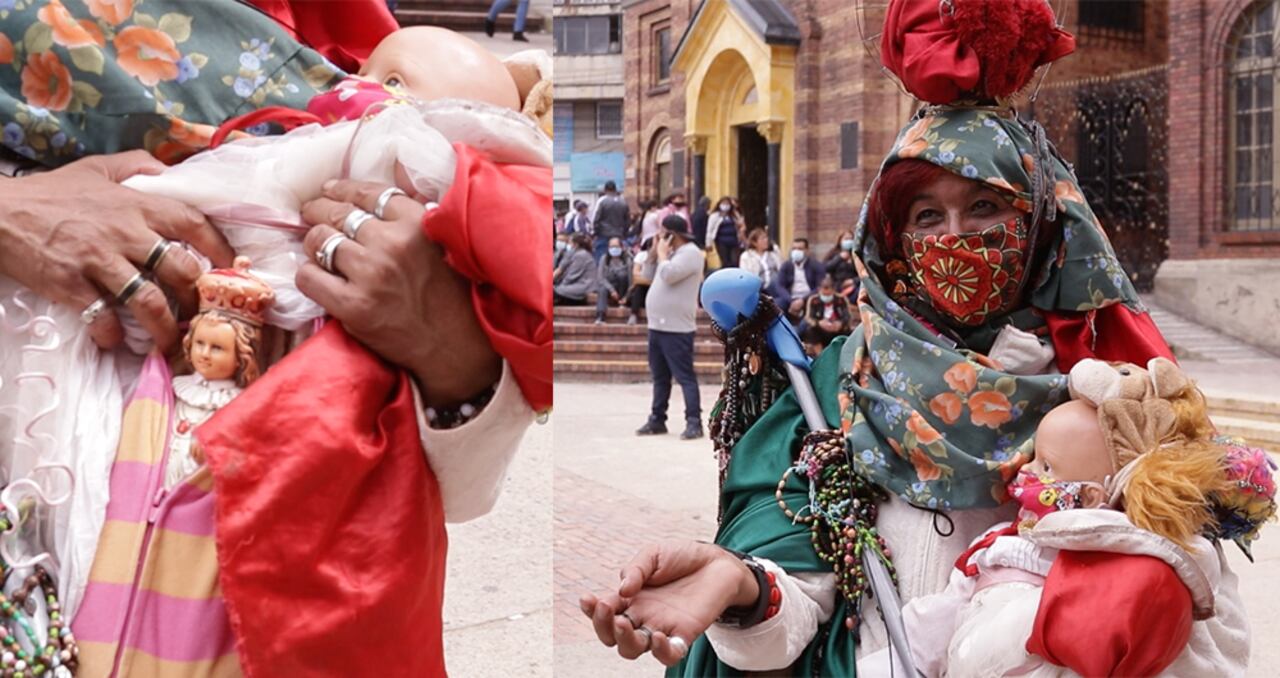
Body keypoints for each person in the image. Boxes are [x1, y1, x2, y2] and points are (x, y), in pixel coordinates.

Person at [579, 2, 1216, 674]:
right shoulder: (839, 390)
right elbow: (798, 608)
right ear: (892, 238)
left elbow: (1197, 618)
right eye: (925, 214)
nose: (953, 237)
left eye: (984, 207)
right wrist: (742, 588)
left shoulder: (1118, 396)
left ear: (1043, 224)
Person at [0, 2, 551, 674]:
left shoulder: (371, 81)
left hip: (269, 526)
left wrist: (448, 352)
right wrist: (13, 212)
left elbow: (458, 484)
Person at [636, 214, 705, 440]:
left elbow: (669, 276)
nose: (658, 237)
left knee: (684, 376)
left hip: (677, 328)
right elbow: (645, 276)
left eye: (662, 233)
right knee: (660, 376)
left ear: (671, 235)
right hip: (657, 325)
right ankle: (657, 419)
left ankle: (694, 421)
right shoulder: (671, 255)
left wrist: (664, 256)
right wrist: (655, 255)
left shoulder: (691, 253)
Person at [773, 236, 825, 320]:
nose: (796, 251)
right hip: (790, 298)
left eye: (800, 249)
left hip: (809, 298)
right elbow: (780, 286)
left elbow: (819, 287)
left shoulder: (816, 266)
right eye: (794, 248)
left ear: (807, 251)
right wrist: (791, 300)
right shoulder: (786, 265)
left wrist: (803, 300)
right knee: (776, 305)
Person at [801, 276, 854, 353]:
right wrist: (819, 323)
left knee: (849, 332)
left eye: (828, 294)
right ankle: (820, 356)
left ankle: (843, 353)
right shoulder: (813, 300)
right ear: (819, 290)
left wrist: (841, 324)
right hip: (821, 329)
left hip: (838, 329)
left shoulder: (842, 299)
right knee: (810, 331)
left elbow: (848, 316)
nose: (826, 296)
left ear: (833, 290)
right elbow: (808, 317)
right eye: (824, 294)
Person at [595, 236, 633, 324]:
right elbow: (601, 278)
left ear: (622, 247)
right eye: (611, 247)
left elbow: (631, 280)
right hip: (610, 287)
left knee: (622, 275)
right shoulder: (604, 259)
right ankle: (600, 315)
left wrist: (627, 296)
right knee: (602, 288)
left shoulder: (627, 259)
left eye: (616, 246)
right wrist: (612, 290)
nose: (614, 249)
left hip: (623, 288)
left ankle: (622, 302)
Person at [591, 180, 630, 262]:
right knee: (619, 257)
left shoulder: (602, 201)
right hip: (619, 234)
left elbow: (596, 219)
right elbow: (627, 220)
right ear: (616, 189)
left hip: (604, 234)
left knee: (601, 259)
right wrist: (624, 233)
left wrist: (595, 232)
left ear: (605, 190)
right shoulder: (623, 202)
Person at [553, 233, 596, 306]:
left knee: (552, 292)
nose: (568, 244)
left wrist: (558, 287)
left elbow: (572, 275)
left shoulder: (582, 255)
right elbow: (560, 268)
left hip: (581, 287)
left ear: (576, 244)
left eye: (570, 242)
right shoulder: (571, 253)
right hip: (572, 285)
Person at [706, 195, 745, 271]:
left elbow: (741, 224)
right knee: (725, 262)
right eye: (723, 203)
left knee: (735, 261)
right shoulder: (715, 216)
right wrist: (708, 243)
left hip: (734, 241)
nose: (725, 206)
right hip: (721, 242)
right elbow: (709, 230)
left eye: (727, 204)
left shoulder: (733, 215)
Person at [822, 228, 859, 297]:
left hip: (854, 287)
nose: (849, 241)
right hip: (836, 287)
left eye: (851, 239)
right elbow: (825, 268)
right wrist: (839, 258)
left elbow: (863, 272)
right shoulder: (833, 253)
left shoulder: (857, 254)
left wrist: (853, 281)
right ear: (840, 241)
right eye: (846, 239)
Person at [626, 241, 654, 326]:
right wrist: (652, 281)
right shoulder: (642, 255)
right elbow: (636, 278)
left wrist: (644, 278)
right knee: (639, 287)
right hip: (645, 288)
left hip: (658, 291)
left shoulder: (665, 256)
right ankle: (633, 315)